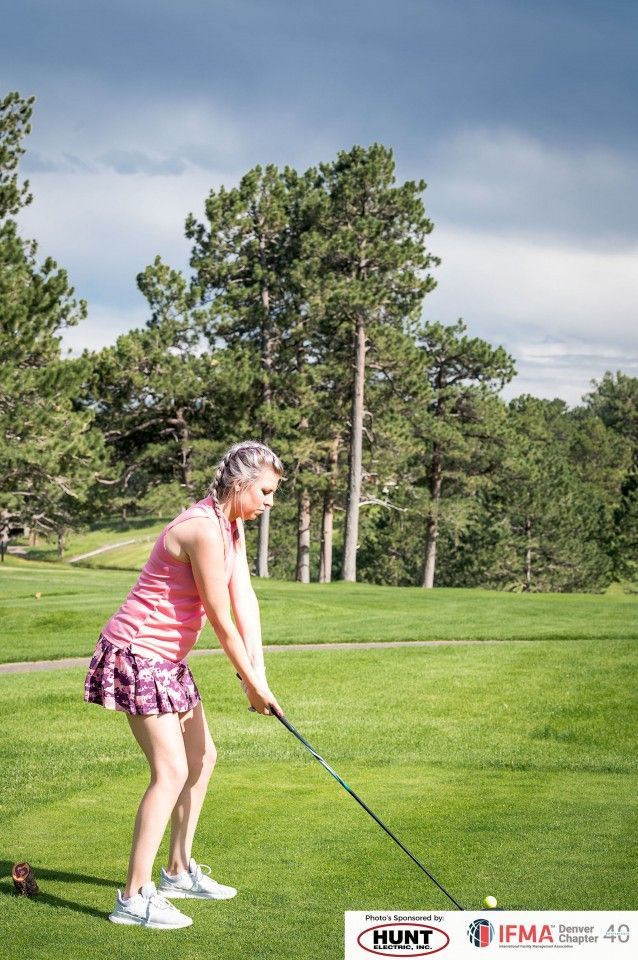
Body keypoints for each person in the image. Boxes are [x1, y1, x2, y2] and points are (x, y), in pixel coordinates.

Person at [84, 440, 284, 929]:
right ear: (240, 483)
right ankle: (132, 897)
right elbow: (219, 617)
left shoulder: (230, 526)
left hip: (167, 660)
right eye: (265, 491)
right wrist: (250, 685)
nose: (269, 502)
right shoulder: (200, 529)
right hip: (136, 653)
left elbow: (245, 600)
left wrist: (257, 676)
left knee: (202, 757)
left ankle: (176, 870)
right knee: (170, 771)